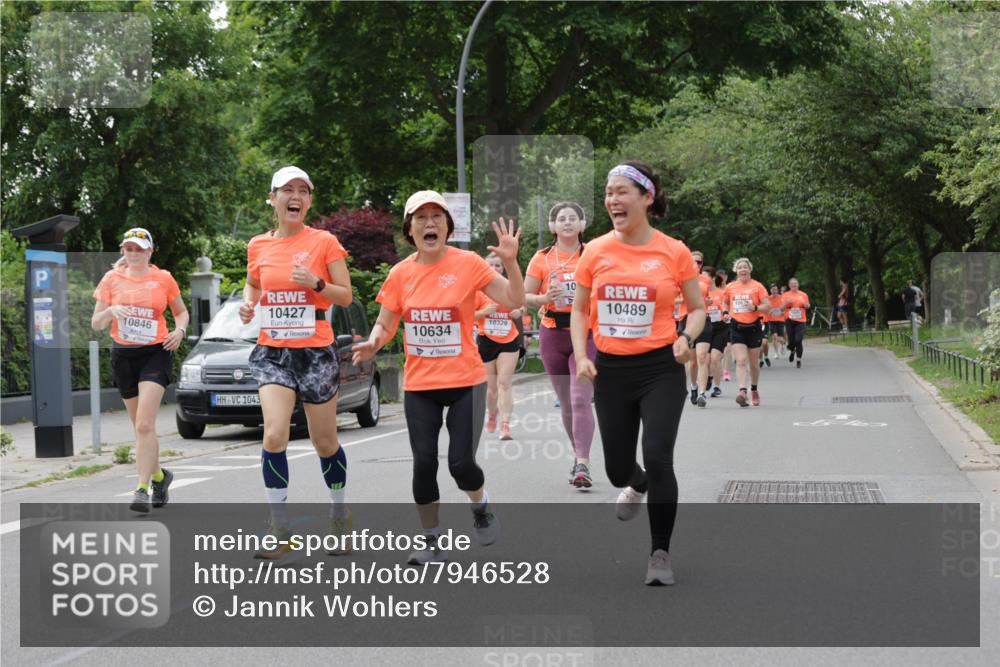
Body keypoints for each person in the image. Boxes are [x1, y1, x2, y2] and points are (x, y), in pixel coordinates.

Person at [353, 191, 524, 565]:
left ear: (448, 226)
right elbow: (385, 321)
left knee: (461, 463)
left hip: (466, 381)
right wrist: (374, 343)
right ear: (409, 229)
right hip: (421, 386)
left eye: (437, 217)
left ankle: (481, 506)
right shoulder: (401, 273)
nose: (430, 224)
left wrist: (510, 263)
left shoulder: (470, 263)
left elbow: (513, 300)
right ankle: (431, 541)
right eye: (421, 218)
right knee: (424, 463)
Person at [572, 161, 706, 586]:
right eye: (609, 192)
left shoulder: (674, 251)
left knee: (659, 455)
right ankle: (637, 483)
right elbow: (578, 309)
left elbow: (698, 308)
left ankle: (660, 554)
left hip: (660, 368)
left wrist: (686, 335)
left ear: (646, 197)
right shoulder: (594, 251)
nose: (613, 199)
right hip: (611, 370)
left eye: (622, 191)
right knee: (615, 469)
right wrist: (582, 354)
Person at [240, 166, 354, 559]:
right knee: (274, 435)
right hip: (273, 351)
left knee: (325, 442)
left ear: (308, 201)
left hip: (315, 351)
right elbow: (254, 282)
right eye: (287, 190)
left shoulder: (324, 242)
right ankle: (279, 527)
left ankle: (339, 513)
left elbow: (345, 296)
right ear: (272, 198)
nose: (296, 196)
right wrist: (248, 303)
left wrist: (317, 284)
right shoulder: (258, 245)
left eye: (303, 191)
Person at [92, 228, 188, 513]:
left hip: (155, 354)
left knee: (145, 425)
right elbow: (96, 322)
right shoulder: (111, 279)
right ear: (124, 251)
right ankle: (160, 476)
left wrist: (180, 330)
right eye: (129, 249)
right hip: (124, 356)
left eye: (139, 249)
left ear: (149, 252)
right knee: (140, 428)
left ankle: (142, 488)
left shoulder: (163, 278)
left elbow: (181, 311)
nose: (133, 254)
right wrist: (111, 312)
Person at [524, 202, 597, 489]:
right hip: (553, 334)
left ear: (582, 224)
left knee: (581, 398)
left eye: (573, 218)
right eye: (561, 219)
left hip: (588, 334)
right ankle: (578, 453)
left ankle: (583, 462)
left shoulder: (593, 255)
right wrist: (543, 299)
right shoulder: (541, 258)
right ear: (553, 227)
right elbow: (524, 295)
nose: (567, 223)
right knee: (566, 402)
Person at [474, 253, 524, 441]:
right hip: (486, 340)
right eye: (491, 265)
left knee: (505, 383)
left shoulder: (508, 287)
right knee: (491, 388)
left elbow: (523, 303)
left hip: (509, 339)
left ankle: (505, 425)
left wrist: (520, 311)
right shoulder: (478, 290)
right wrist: (484, 312)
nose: (494, 268)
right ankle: (492, 414)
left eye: (498, 265)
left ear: (502, 268)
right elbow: (468, 315)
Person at [722, 258, 770, 407]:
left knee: (754, 363)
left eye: (745, 267)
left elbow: (767, 306)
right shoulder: (730, 287)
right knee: (741, 360)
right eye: (740, 267)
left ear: (750, 270)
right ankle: (742, 391)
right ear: (736, 270)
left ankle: (754, 389)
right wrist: (725, 312)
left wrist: (755, 308)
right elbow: (725, 301)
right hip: (737, 327)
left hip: (754, 328)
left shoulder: (757, 286)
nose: (743, 270)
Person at [695, 267, 727, 405]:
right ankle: (707, 378)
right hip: (705, 325)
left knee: (714, 359)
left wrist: (726, 314)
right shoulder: (700, 292)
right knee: (705, 358)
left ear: (713, 278)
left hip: (720, 328)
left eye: (705, 277)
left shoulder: (722, 292)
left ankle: (717, 386)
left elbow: (727, 307)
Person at [783, 277, 811, 368]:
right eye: (792, 283)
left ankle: (798, 360)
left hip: (801, 320)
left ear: (798, 284)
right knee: (791, 341)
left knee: (798, 340)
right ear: (789, 285)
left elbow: (807, 306)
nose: (794, 285)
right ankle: (792, 350)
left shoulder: (803, 294)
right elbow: (781, 308)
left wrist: (806, 305)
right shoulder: (785, 295)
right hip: (789, 320)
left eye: (795, 283)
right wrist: (787, 304)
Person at [765, 283, 786, 360]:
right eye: (773, 289)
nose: (774, 291)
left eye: (776, 289)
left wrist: (783, 312)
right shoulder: (767, 299)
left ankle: (783, 344)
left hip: (780, 320)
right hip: (771, 320)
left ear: (777, 290)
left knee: (780, 338)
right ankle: (776, 353)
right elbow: (765, 308)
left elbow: (785, 308)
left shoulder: (782, 298)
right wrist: (769, 312)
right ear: (770, 290)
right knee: (774, 337)